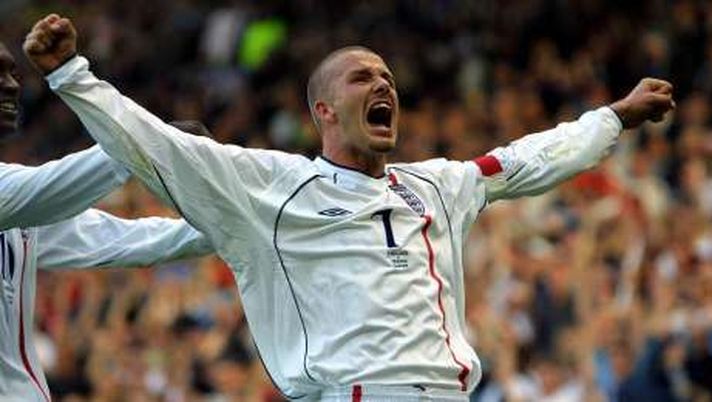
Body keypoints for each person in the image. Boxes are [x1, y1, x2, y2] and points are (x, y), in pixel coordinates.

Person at [25, 13, 675, 402]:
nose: (383, 83)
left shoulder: (439, 184)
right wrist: (72, 76)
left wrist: (612, 118)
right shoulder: (274, 188)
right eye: (363, 77)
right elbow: (160, 146)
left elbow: (527, 160)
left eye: (387, 76)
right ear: (325, 112)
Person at [0, 39, 216, 402]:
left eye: (11, 72)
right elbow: (57, 186)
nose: (11, 85)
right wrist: (156, 139)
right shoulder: (16, 196)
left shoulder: (20, 212)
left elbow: (116, 239)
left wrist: (224, 225)